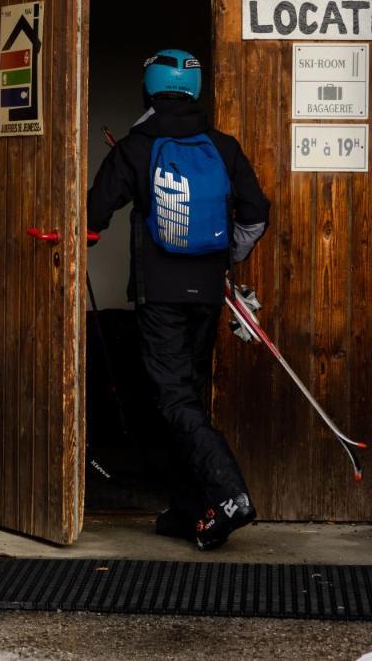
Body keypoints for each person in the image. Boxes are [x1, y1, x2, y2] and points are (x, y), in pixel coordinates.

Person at [87, 49, 270, 550]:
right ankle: (189, 509)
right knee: (185, 396)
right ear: (194, 91)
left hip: (159, 295)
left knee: (173, 398)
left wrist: (85, 233)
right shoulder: (223, 146)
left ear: (148, 88)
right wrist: (220, 258)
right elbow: (255, 214)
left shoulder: (137, 146)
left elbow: (93, 212)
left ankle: (230, 495)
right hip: (207, 294)